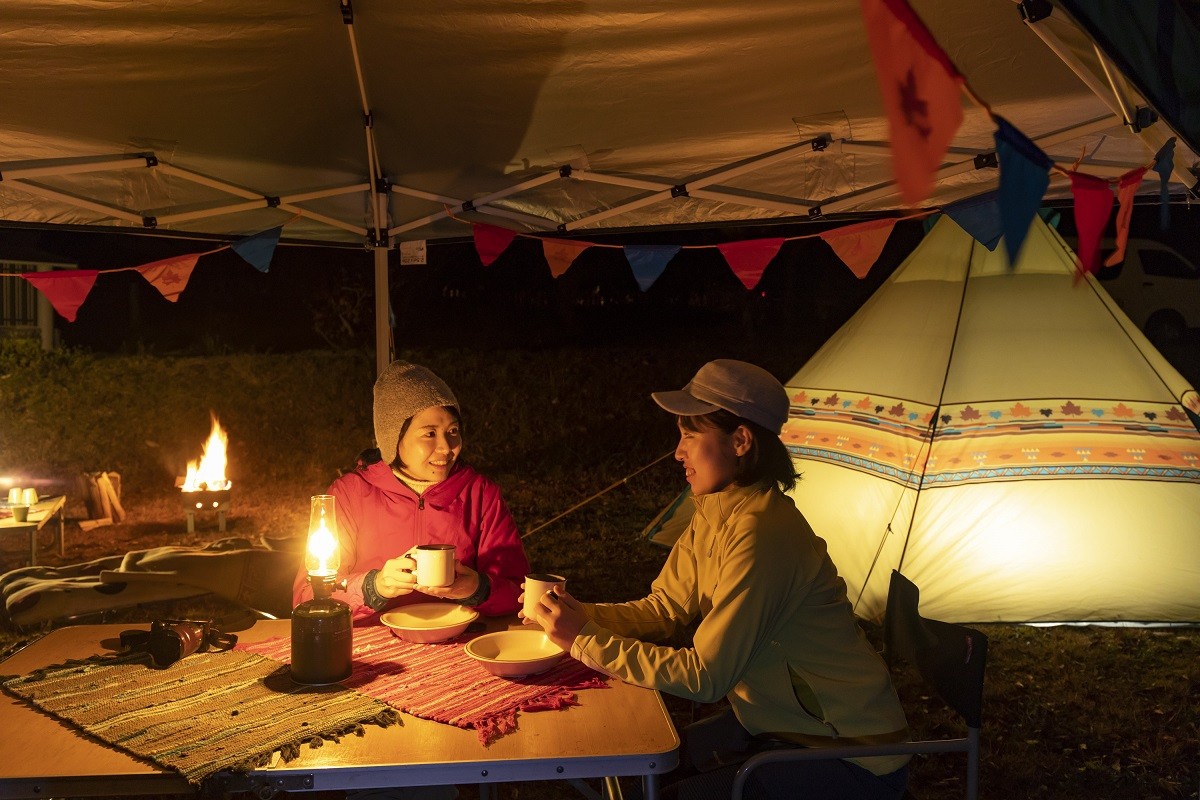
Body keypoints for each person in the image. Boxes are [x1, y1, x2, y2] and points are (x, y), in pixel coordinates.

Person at [527, 359, 910, 800]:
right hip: (778, 725)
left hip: (849, 755)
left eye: (690, 435)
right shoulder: (716, 510)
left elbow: (706, 677)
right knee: (655, 767)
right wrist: (575, 618)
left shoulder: (763, 534)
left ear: (741, 440)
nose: (678, 452)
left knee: (653, 791)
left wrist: (585, 641)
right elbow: (664, 609)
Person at [293, 360, 529, 621]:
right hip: (374, 645)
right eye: (429, 434)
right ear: (394, 438)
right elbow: (307, 595)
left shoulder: (480, 494)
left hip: (461, 644)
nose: (447, 447)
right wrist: (374, 587)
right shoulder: (350, 494)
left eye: (453, 431)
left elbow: (519, 593)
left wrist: (477, 589)